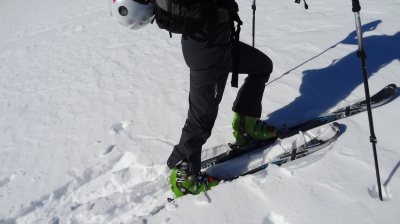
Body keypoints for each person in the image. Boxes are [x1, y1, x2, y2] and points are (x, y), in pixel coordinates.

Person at [110, 0, 277, 197]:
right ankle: (184, 177)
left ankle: (247, 127)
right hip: (208, 52)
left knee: (262, 66)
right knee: (201, 119)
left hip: (220, 42)